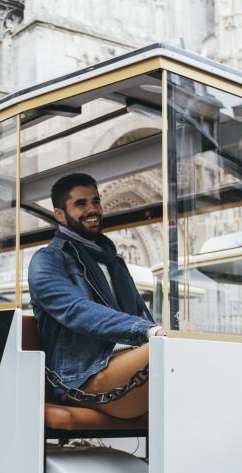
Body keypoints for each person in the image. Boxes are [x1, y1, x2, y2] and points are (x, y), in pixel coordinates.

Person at [27, 173, 159, 419]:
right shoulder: (47, 260)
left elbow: (141, 313)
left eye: (96, 202)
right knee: (168, 351)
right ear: (59, 215)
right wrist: (148, 331)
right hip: (81, 378)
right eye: (81, 204)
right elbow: (76, 309)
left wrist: (164, 330)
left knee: (191, 348)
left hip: (124, 361)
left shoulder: (113, 261)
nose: (92, 209)